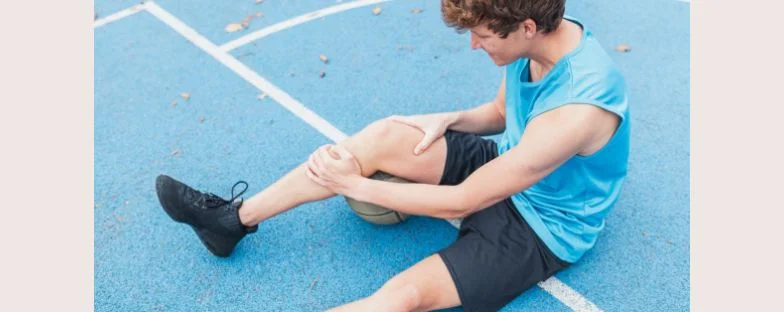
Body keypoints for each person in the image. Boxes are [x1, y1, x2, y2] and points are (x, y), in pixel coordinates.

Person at [155, 0, 629, 310]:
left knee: (402, 296)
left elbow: (462, 201)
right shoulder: (537, 42)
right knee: (384, 135)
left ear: (526, 26)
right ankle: (231, 221)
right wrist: (448, 119)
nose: (474, 44)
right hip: (504, 164)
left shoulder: (577, 110)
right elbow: (502, 113)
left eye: (483, 36)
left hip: (541, 227)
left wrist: (355, 186)